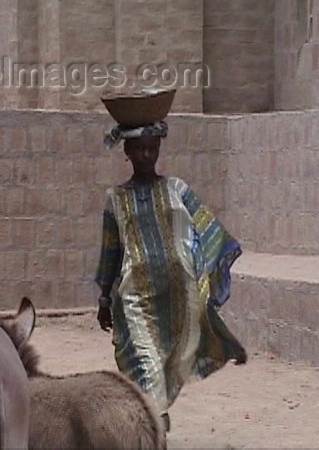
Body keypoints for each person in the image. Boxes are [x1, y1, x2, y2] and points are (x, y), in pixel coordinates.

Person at [94, 91, 247, 432]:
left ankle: (154, 428)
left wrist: (207, 275)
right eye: (140, 149)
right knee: (145, 368)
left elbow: (208, 231)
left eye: (152, 147)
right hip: (136, 302)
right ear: (128, 153)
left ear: (158, 149)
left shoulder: (177, 190)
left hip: (175, 304)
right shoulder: (115, 200)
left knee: (165, 368)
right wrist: (104, 297)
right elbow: (110, 252)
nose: (146, 154)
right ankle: (156, 428)